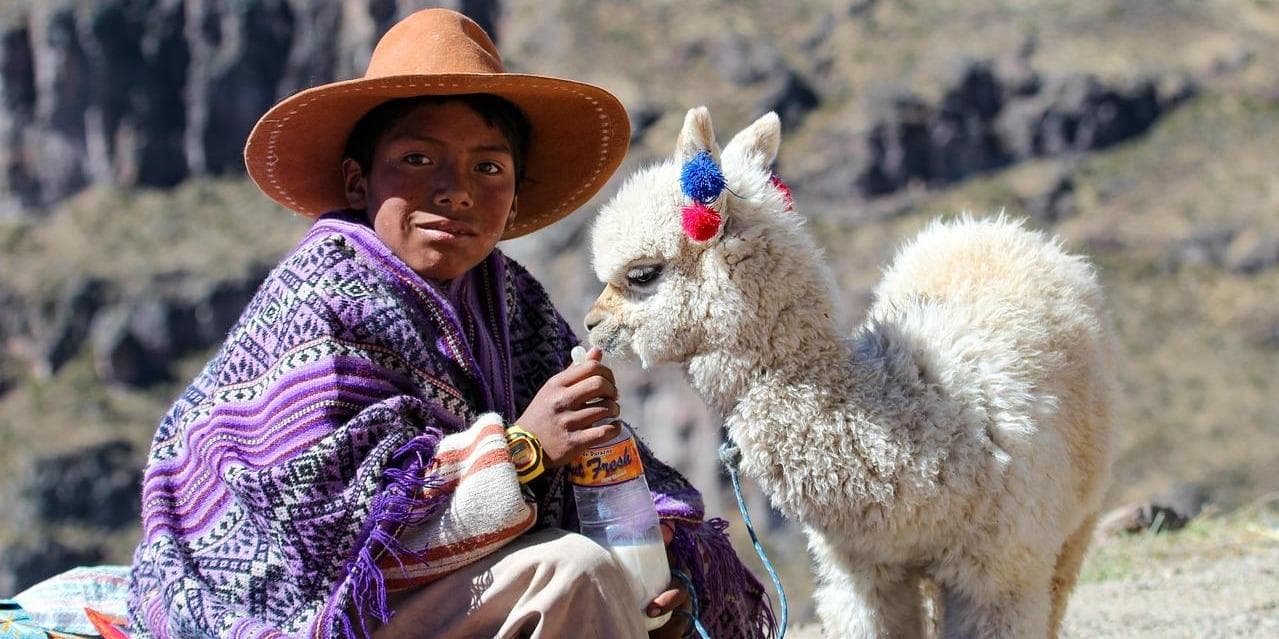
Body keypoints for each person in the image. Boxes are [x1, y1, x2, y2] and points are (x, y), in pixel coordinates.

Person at [126, 8, 775, 639]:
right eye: (416, 159)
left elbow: (594, 468)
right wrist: (523, 448)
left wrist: (655, 561)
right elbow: (324, 536)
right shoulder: (321, 296)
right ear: (358, 182)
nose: (455, 190)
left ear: (514, 199)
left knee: (619, 578)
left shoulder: (510, 300)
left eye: (488, 167)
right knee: (571, 574)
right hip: (315, 605)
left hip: (442, 584)